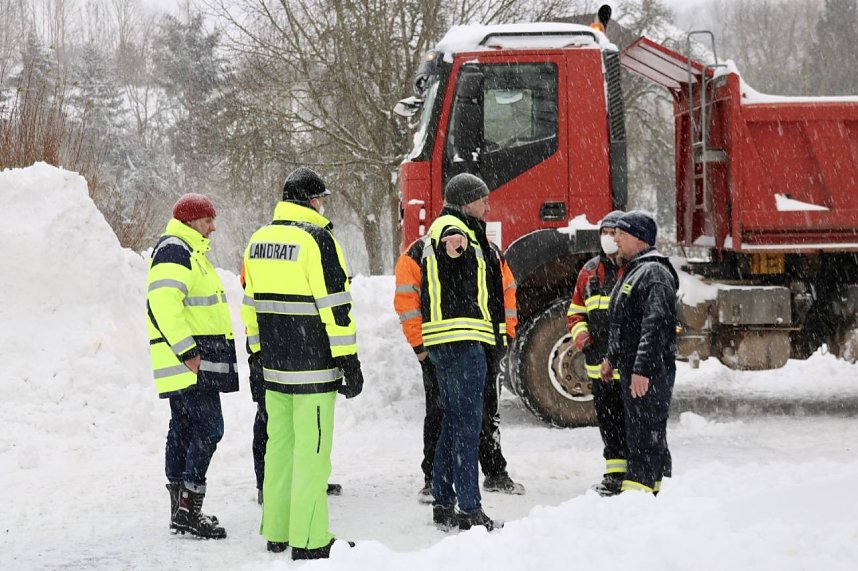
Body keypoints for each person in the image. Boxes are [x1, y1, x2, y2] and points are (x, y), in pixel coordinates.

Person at [241, 167, 363, 560]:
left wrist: (256, 357)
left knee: (280, 449)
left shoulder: (258, 241)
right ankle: (310, 539)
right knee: (313, 453)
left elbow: (251, 308)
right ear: (312, 201)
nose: (323, 205)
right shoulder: (319, 239)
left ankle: (277, 530)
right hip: (313, 366)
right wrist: (349, 358)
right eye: (321, 198)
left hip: (274, 367)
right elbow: (335, 306)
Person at [395, 239, 524, 504]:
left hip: (485, 344)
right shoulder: (419, 252)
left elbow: (507, 291)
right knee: (441, 412)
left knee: (488, 409)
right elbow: (408, 302)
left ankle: (494, 471)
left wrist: (506, 335)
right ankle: (434, 478)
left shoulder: (489, 249)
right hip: (440, 347)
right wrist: (420, 347)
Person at [146, 193, 239, 540]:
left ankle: (181, 511)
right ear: (189, 223)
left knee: (183, 428)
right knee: (209, 429)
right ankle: (188, 506)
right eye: (207, 221)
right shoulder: (176, 250)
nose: (212, 227)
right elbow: (164, 304)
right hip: (189, 362)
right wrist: (188, 352)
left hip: (189, 361)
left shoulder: (187, 251)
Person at [420, 173, 506, 532]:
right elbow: (450, 246)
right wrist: (457, 243)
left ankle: (443, 502)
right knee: (468, 426)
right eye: (483, 199)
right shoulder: (453, 229)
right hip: (461, 340)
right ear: (468, 200)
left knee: (452, 424)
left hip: (447, 341)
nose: (487, 206)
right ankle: (469, 508)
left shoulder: (449, 227)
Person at [240, 266, 343, 506]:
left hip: (286, 342)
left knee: (298, 421)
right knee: (270, 419)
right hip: (270, 344)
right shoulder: (265, 248)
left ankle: (301, 479)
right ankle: (267, 483)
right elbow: (250, 290)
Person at [600, 210, 679, 495]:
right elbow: (622, 321)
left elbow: (655, 326)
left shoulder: (654, 272)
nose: (615, 240)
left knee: (647, 432)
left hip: (649, 371)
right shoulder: (635, 270)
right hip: (633, 368)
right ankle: (649, 490)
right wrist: (611, 358)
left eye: (620, 234)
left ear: (638, 238)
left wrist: (642, 369)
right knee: (638, 431)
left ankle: (642, 493)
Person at [566, 210, 628, 496]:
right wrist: (582, 339)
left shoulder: (636, 268)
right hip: (598, 366)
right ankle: (614, 475)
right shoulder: (589, 271)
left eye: (614, 233)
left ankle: (637, 474)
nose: (609, 238)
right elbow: (576, 312)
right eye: (605, 232)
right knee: (609, 421)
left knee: (633, 421)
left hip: (628, 366)